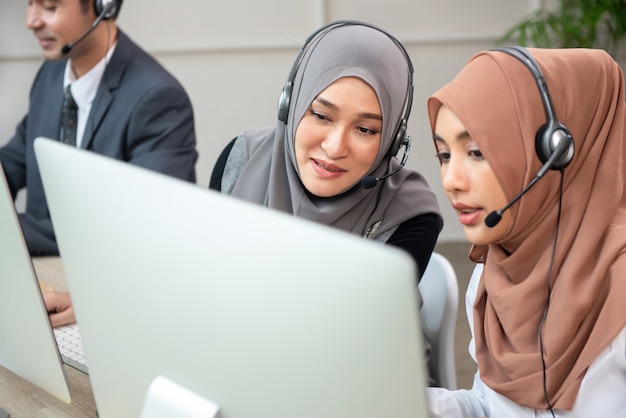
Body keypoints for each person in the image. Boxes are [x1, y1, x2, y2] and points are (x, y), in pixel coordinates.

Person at [426, 46, 626, 417]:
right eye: (444, 155)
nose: (451, 181)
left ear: (555, 153)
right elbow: (491, 405)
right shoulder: (493, 276)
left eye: (476, 152)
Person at [4, 0, 198, 326]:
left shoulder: (158, 98)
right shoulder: (53, 73)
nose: (30, 21)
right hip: (46, 277)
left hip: (111, 302)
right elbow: (16, 158)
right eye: (29, 3)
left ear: (103, 5)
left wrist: (11, 230)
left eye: (49, 6)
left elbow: (153, 232)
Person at [210, 21, 442, 280]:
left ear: (393, 139)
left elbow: (370, 317)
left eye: (365, 129)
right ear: (290, 105)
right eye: (321, 115)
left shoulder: (409, 213)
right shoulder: (240, 159)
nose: (335, 148)